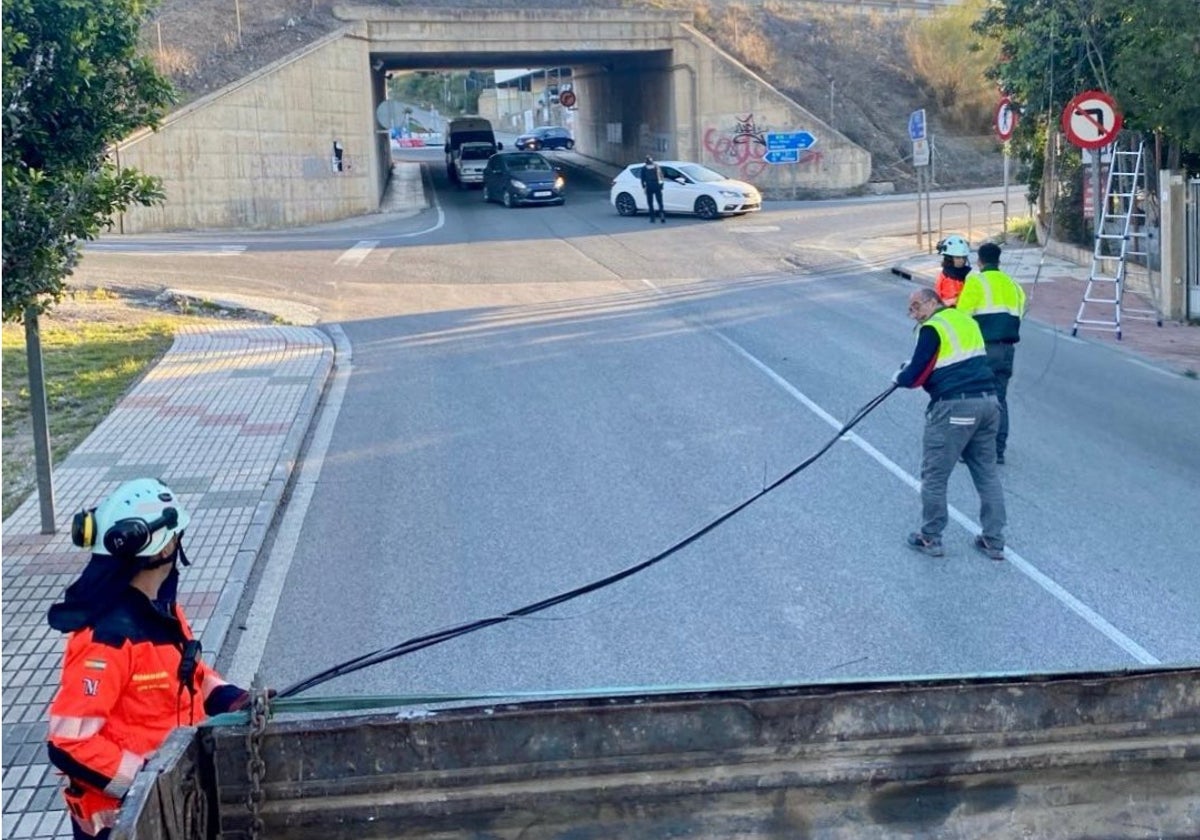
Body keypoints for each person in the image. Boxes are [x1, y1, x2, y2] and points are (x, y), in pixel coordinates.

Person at [46, 478, 253, 840]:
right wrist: (148, 780)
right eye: (177, 536)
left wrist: (232, 699)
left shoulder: (161, 611)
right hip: (123, 825)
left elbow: (189, 676)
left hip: (169, 809)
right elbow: (69, 743)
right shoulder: (107, 640)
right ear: (163, 547)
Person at [894, 288, 1007, 561]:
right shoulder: (966, 321)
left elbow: (916, 375)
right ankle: (994, 540)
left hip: (954, 406)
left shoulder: (932, 328)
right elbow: (955, 360)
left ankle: (930, 537)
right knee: (987, 473)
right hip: (989, 403)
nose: (914, 313)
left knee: (935, 475)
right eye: (911, 309)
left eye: (917, 306)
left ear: (934, 302)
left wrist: (900, 375)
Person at [956, 241, 1026, 464]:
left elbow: (962, 317)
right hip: (1007, 351)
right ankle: (998, 450)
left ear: (979, 261)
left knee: (975, 397)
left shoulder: (976, 281)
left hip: (983, 349)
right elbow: (1020, 314)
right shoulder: (1014, 285)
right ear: (999, 260)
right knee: (999, 400)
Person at [934, 234, 972, 305]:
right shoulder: (950, 278)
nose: (962, 260)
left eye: (964, 257)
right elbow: (950, 302)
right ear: (949, 259)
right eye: (958, 258)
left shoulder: (964, 273)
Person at [640, 155, 666, 223]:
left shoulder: (644, 168)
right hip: (657, 186)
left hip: (649, 186)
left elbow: (642, 179)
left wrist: (643, 187)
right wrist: (662, 185)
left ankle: (652, 218)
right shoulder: (657, 166)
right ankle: (662, 215)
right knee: (660, 202)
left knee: (650, 203)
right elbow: (661, 176)